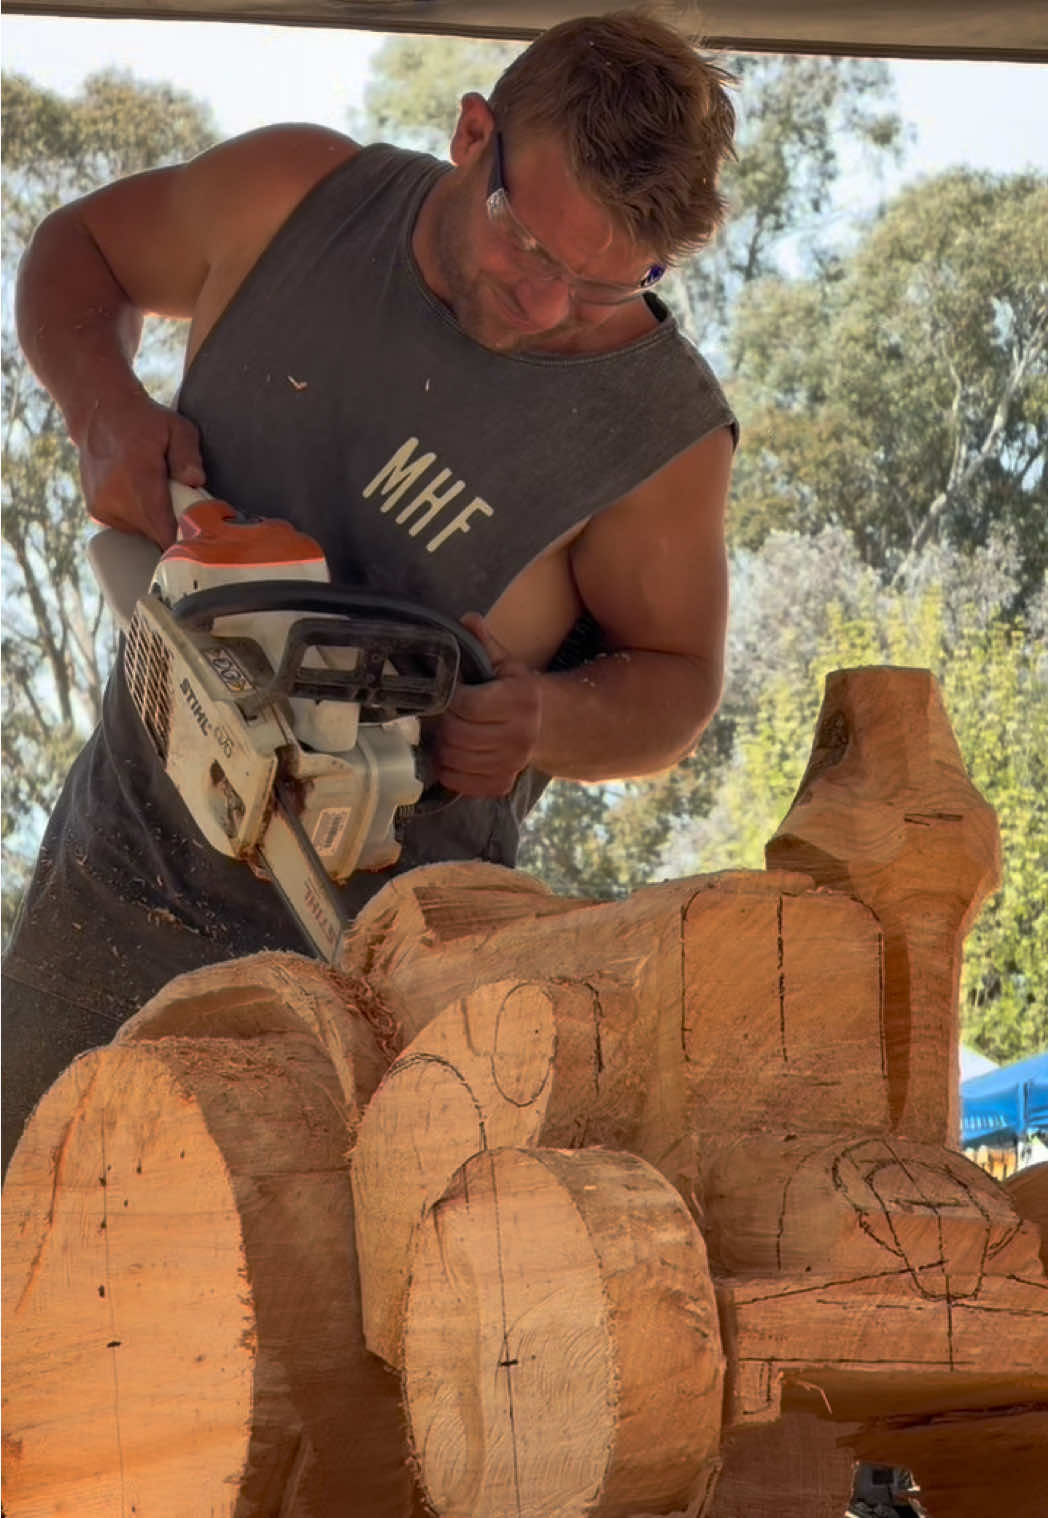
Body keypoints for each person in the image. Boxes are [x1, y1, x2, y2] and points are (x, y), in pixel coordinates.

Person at [3, 10, 738, 1168]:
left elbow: (677, 681)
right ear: (472, 134)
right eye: (528, 247)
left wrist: (547, 719)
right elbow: (78, 250)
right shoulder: (292, 198)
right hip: (117, 890)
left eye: (607, 284)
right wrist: (103, 406)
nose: (547, 306)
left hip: (388, 992)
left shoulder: (657, 439)